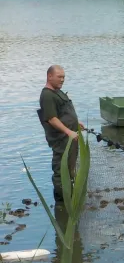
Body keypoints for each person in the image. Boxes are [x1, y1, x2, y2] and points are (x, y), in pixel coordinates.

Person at [37, 65, 84, 202]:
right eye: (59, 77)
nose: (62, 79)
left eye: (64, 77)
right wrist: (69, 131)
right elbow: (52, 119)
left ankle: (69, 198)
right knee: (61, 170)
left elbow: (62, 113)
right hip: (61, 139)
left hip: (69, 137)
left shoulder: (58, 92)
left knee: (70, 168)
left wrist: (76, 123)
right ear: (49, 76)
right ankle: (62, 202)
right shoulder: (47, 95)